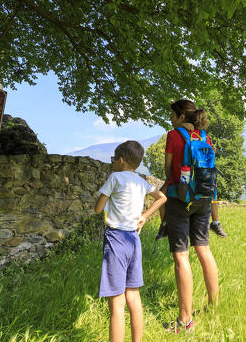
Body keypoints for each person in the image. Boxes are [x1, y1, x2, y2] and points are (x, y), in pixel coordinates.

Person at [94, 140, 167, 342]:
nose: (113, 163)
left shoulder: (115, 178)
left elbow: (98, 209)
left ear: (122, 160)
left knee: (117, 304)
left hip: (116, 239)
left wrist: (105, 198)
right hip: (134, 240)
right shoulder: (140, 181)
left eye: (114, 160)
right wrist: (145, 215)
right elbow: (161, 198)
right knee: (133, 296)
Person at [163, 99, 219, 333]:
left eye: (172, 115)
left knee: (181, 257)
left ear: (179, 116)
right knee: (204, 250)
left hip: (180, 198)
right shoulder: (204, 136)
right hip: (204, 199)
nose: (170, 119)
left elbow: (168, 170)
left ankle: (184, 321)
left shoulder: (173, 135)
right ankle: (213, 306)